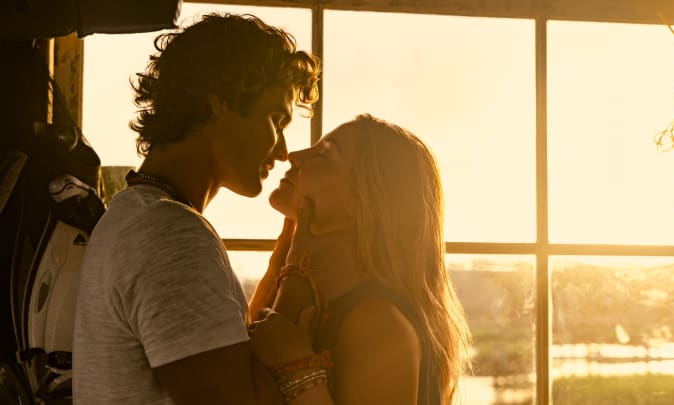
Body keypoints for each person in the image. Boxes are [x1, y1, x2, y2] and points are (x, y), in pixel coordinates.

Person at [72, 13, 320, 404]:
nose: (283, 150)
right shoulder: (170, 235)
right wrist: (300, 366)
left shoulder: (137, 214)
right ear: (220, 100)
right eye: (276, 118)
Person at [248, 114, 472, 404]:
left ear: (362, 202)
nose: (295, 156)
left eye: (325, 155)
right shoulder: (310, 297)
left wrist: (295, 366)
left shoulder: (378, 325)